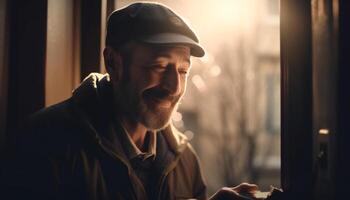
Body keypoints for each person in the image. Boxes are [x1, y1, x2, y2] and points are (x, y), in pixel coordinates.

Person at [1, 2, 261, 200]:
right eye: (159, 66)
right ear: (114, 63)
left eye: (183, 70)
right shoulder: (46, 143)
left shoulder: (184, 160)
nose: (174, 87)